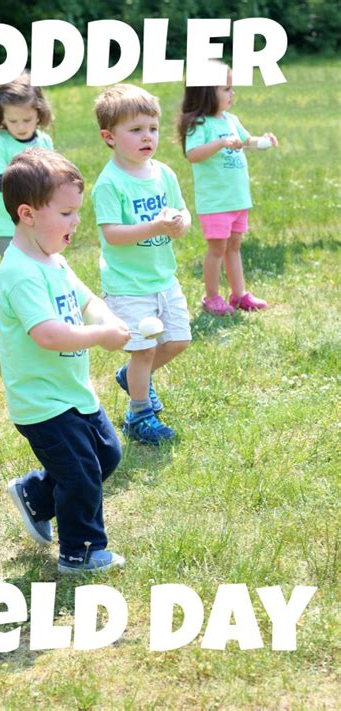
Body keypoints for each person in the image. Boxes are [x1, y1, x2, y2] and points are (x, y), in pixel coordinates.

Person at [0, 148, 130, 574]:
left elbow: (86, 298)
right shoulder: (20, 272)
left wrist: (108, 320)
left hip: (72, 392)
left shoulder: (52, 259)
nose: (76, 222)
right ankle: (82, 552)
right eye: (67, 213)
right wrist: (101, 337)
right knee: (79, 474)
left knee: (106, 456)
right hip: (42, 401)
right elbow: (49, 334)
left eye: (77, 212)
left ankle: (36, 495)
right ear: (28, 214)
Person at [92, 84, 192, 446]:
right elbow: (112, 234)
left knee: (179, 340)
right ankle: (139, 414)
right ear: (110, 137)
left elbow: (182, 213)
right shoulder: (109, 183)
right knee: (144, 349)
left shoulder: (164, 173)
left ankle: (132, 375)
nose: (147, 136)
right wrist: (155, 226)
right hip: (127, 283)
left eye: (152, 128)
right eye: (135, 130)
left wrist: (181, 223)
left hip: (163, 277)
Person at [178, 63, 278, 316]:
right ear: (206, 92)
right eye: (227, 88)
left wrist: (263, 142)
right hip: (216, 202)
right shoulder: (199, 124)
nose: (232, 93)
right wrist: (221, 142)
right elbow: (192, 154)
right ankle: (211, 297)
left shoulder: (231, 120)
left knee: (234, 247)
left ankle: (239, 294)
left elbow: (247, 141)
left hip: (237, 199)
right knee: (217, 249)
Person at [0, 72, 54, 257]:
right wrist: (29, 190)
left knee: (41, 262)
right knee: (15, 266)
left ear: (39, 114)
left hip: (39, 220)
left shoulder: (45, 141)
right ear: (2, 117)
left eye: (27, 120)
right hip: (6, 224)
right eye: (13, 121)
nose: (21, 127)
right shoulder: (0, 143)